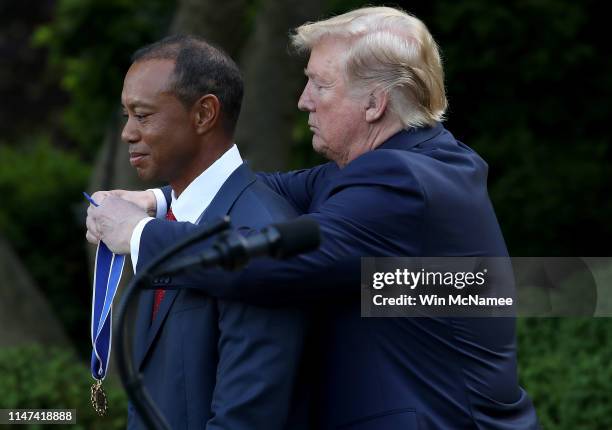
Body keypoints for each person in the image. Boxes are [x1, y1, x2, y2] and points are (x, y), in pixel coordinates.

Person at [88, 7, 539, 429]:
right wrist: (158, 199)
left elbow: (272, 265)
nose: (304, 101)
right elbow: (275, 186)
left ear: (374, 104)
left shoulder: (401, 184)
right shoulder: (410, 162)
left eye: (319, 85)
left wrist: (138, 234)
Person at [86, 35, 305, 429]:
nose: (128, 133)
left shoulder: (259, 233)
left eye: (143, 115)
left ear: (204, 114)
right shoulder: (172, 223)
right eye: (126, 116)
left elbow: (246, 421)